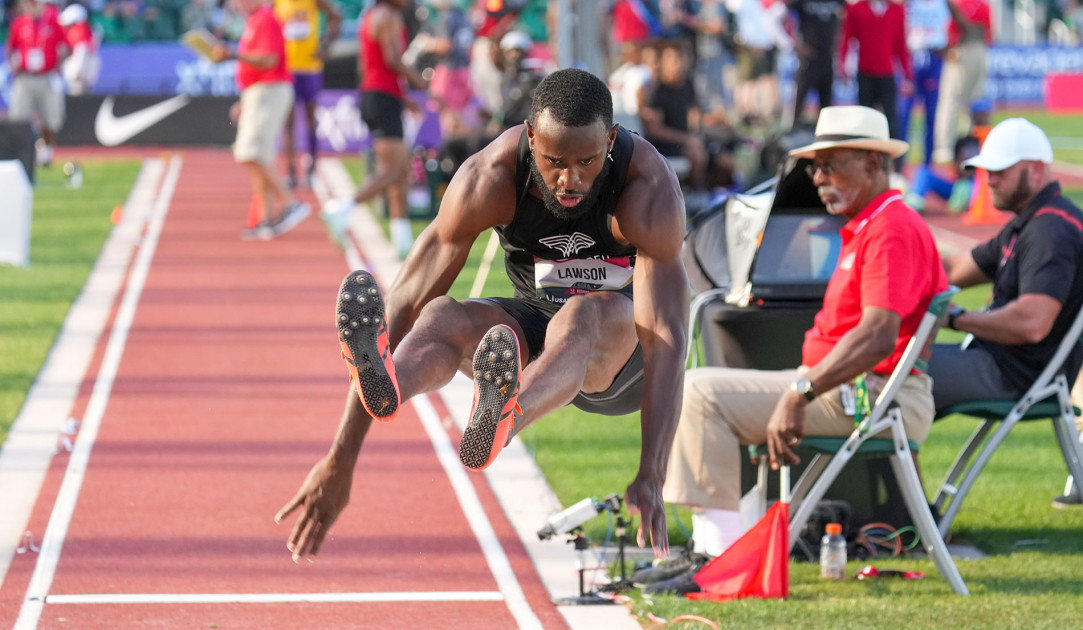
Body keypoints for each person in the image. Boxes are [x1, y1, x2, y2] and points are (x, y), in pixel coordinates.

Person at [277, 68, 689, 562]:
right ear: (531, 137)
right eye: (554, 161)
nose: (570, 179)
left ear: (612, 140)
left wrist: (652, 472)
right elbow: (404, 303)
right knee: (440, 316)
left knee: (580, 315)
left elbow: (666, 335)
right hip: (538, 331)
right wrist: (341, 459)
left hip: (621, 359)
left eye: (587, 161)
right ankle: (393, 388)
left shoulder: (647, 188)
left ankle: (505, 417)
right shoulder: (490, 178)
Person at [649, 105, 947, 594]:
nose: (818, 177)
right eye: (814, 166)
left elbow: (877, 335)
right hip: (866, 391)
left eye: (831, 164)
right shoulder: (873, 222)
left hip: (877, 395)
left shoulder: (890, 228)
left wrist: (800, 391)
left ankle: (720, 559)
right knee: (700, 388)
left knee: (701, 395)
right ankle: (716, 551)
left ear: (873, 165)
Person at [927, 118, 1083, 414]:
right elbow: (952, 270)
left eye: (1000, 171)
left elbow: (1031, 323)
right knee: (891, 366)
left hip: (1017, 377)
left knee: (892, 374)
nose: (989, 181)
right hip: (1004, 365)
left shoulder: (1050, 231)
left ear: (1036, 169)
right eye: (988, 171)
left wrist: (956, 318)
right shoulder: (1030, 223)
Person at [322, 0, 427, 259]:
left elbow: (369, 65)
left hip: (377, 94)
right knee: (394, 170)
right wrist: (418, 81)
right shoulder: (388, 16)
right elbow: (392, 60)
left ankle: (402, 240)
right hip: (382, 96)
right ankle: (343, 209)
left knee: (399, 173)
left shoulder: (370, 16)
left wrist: (402, 97)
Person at [211, 0, 311, 240]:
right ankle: (265, 219)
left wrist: (233, 54)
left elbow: (269, 60)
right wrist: (245, 100)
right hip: (259, 91)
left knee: (250, 152)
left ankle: (290, 203)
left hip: (270, 89)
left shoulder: (265, 18)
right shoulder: (254, 21)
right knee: (259, 156)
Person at [274, 0, 342, 189]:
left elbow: (336, 16)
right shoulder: (278, 3)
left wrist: (327, 45)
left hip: (310, 68)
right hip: (287, 69)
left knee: (311, 119)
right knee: (289, 124)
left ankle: (312, 170)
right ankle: (292, 172)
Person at [6, 0, 69, 167]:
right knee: (18, 118)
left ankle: (46, 151)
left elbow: (66, 46)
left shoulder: (53, 22)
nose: (32, 6)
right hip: (25, 77)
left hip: (47, 76)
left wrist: (58, 65)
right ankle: (20, 153)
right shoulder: (19, 24)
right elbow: (10, 48)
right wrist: (14, 65)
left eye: (35, 3)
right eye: (29, 3)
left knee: (51, 117)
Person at [931, 0, 990, 165]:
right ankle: (971, 145)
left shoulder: (957, 4)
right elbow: (989, 33)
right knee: (975, 102)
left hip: (960, 50)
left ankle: (945, 148)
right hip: (980, 51)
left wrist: (947, 48)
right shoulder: (983, 5)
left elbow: (950, 30)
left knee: (950, 101)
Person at [787, 0, 844, 129]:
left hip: (828, 58)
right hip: (809, 59)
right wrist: (792, 44)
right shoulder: (800, 2)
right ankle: (794, 136)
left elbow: (849, 16)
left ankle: (826, 142)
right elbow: (777, 17)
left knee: (826, 110)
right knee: (798, 107)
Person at [58, 2, 101, 95]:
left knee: (77, 100)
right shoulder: (86, 30)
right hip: (82, 74)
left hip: (78, 76)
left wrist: (78, 71)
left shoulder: (79, 30)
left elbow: (81, 51)